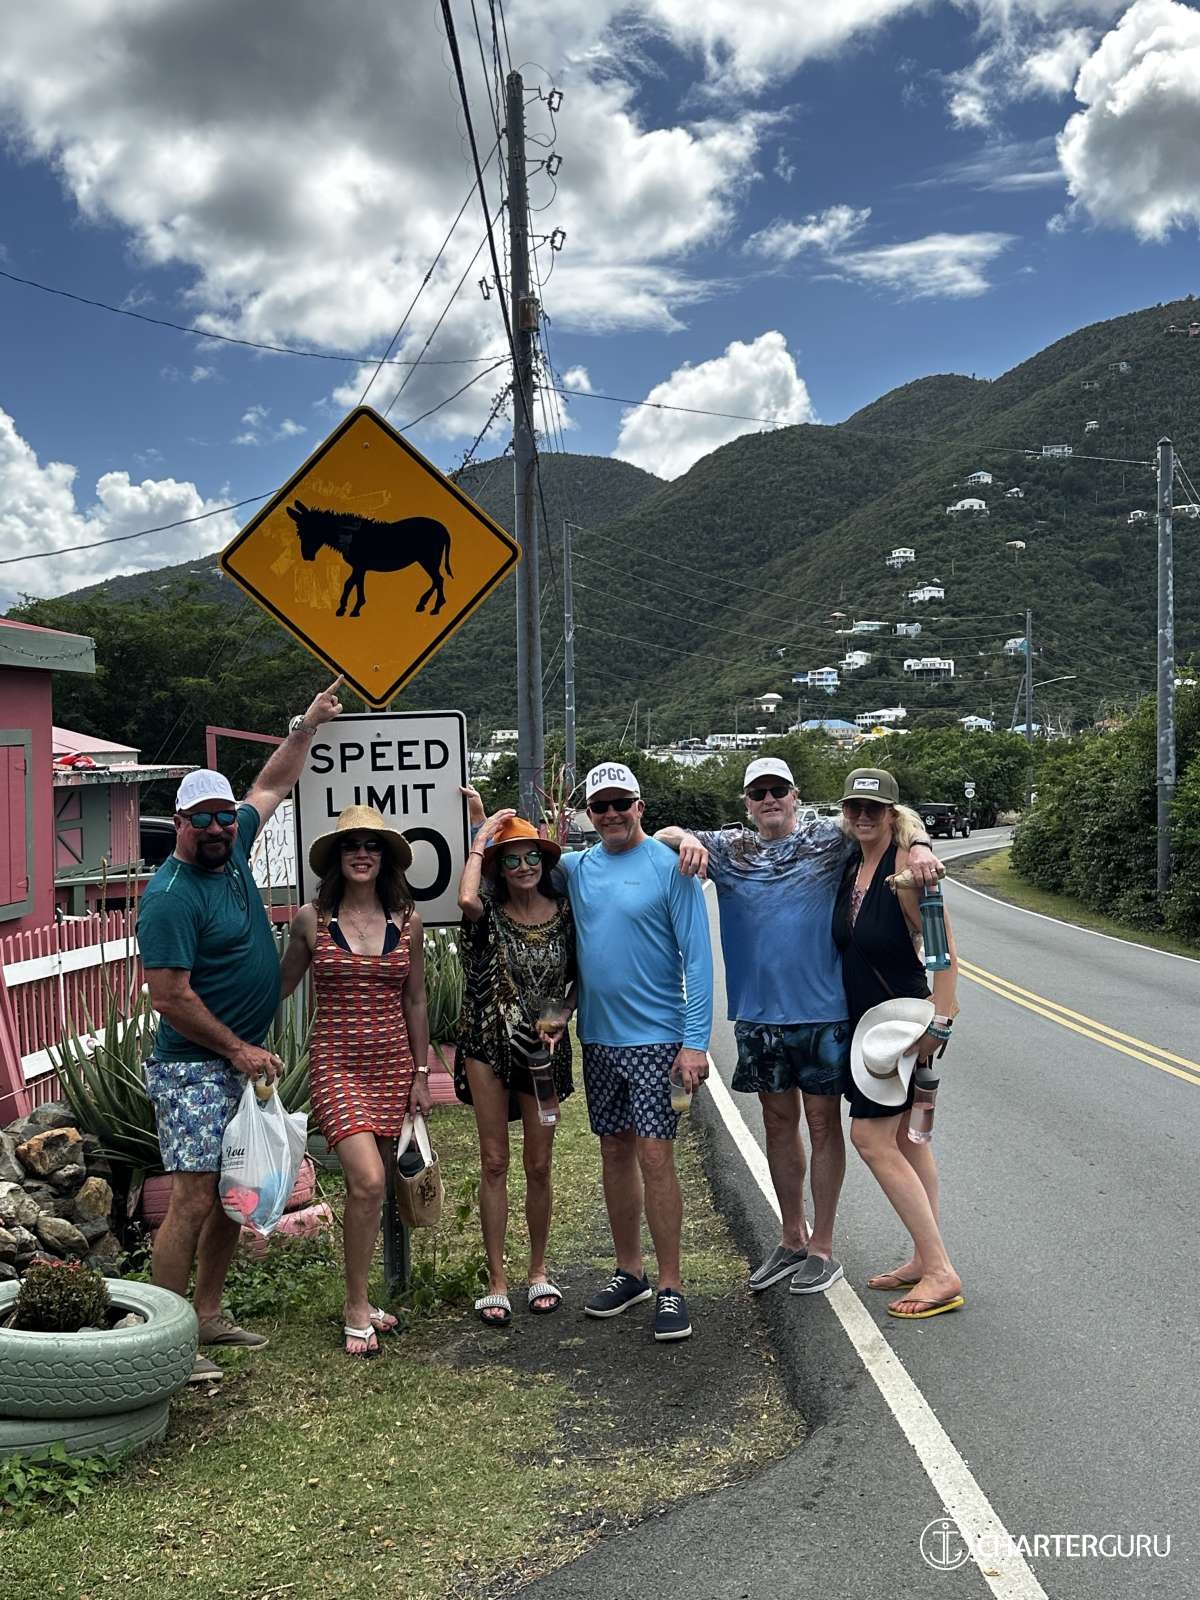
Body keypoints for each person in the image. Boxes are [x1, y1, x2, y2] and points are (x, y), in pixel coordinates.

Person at [656, 757, 941, 1299]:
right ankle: (792, 1237)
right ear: (747, 803)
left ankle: (823, 1247)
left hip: (824, 1013)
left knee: (823, 1125)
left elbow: (891, 816)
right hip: (758, 1016)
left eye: (778, 790)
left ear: (795, 795)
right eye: (758, 793)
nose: (769, 800)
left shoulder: (828, 838)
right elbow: (663, 833)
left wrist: (922, 846)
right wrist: (685, 837)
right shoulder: (728, 849)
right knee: (778, 1123)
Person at [138, 677, 344, 1383]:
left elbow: (272, 785)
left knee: (236, 1192)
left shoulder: (234, 847)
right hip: (193, 1068)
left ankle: (208, 1314)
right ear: (180, 824)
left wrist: (307, 723)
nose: (219, 828)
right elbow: (170, 997)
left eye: (224, 817)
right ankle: (166, 1343)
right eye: (203, 820)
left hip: (241, 1063)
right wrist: (237, 1048)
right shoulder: (170, 897)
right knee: (194, 1198)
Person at [560, 761, 713, 1343]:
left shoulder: (671, 866)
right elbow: (520, 861)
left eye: (621, 803)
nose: (611, 814)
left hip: (661, 1043)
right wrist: (479, 824)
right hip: (598, 1039)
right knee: (614, 1151)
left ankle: (671, 1284)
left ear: (639, 806)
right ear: (589, 814)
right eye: (600, 806)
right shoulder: (578, 868)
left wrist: (695, 1044)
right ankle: (631, 1272)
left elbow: (698, 959)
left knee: (656, 1155)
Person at [280, 805, 431, 1356]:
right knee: (366, 1181)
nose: (361, 854)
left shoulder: (407, 920)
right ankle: (354, 1305)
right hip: (336, 1065)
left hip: (393, 1065)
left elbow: (415, 1000)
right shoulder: (312, 919)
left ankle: (364, 1301)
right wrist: (238, 1038)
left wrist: (421, 1073)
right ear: (337, 858)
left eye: (371, 846)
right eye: (351, 846)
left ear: (384, 858)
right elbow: (278, 986)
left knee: (378, 1188)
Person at [833, 768, 963, 1320]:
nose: (863, 816)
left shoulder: (908, 872)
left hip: (899, 1026)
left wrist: (941, 1020)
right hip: (866, 1021)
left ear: (891, 814)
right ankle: (923, 1257)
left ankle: (940, 1272)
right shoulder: (850, 862)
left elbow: (942, 950)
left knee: (870, 1138)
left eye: (874, 809)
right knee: (910, 1141)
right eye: (855, 807)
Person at [454, 813, 576, 1327]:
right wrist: (481, 839)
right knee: (494, 1161)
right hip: (488, 1042)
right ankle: (497, 1280)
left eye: (531, 857)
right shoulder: (489, 914)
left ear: (543, 862)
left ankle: (538, 1269)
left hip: (543, 1049)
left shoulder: (565, 913)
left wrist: (561, 1015)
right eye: (511, 860)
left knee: (540, 1163)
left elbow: (580, 977)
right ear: (498, 868)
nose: (524, 867)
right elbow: (465, 899)